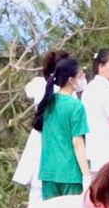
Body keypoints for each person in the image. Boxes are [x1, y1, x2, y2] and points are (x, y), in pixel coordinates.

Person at [11, 48, 68, 207]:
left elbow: (28, 91)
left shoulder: (38, 84)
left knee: (38, 187)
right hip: (54, 140)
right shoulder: (63, 91)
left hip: (42, 137)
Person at [32, 55, 90, 200]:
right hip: (70, 173)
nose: (82, 79)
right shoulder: (76, 106)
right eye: (80, 76)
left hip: (48, 172)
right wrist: (86, 175)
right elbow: (77, 142)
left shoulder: (47, 103)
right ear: (71, 80)